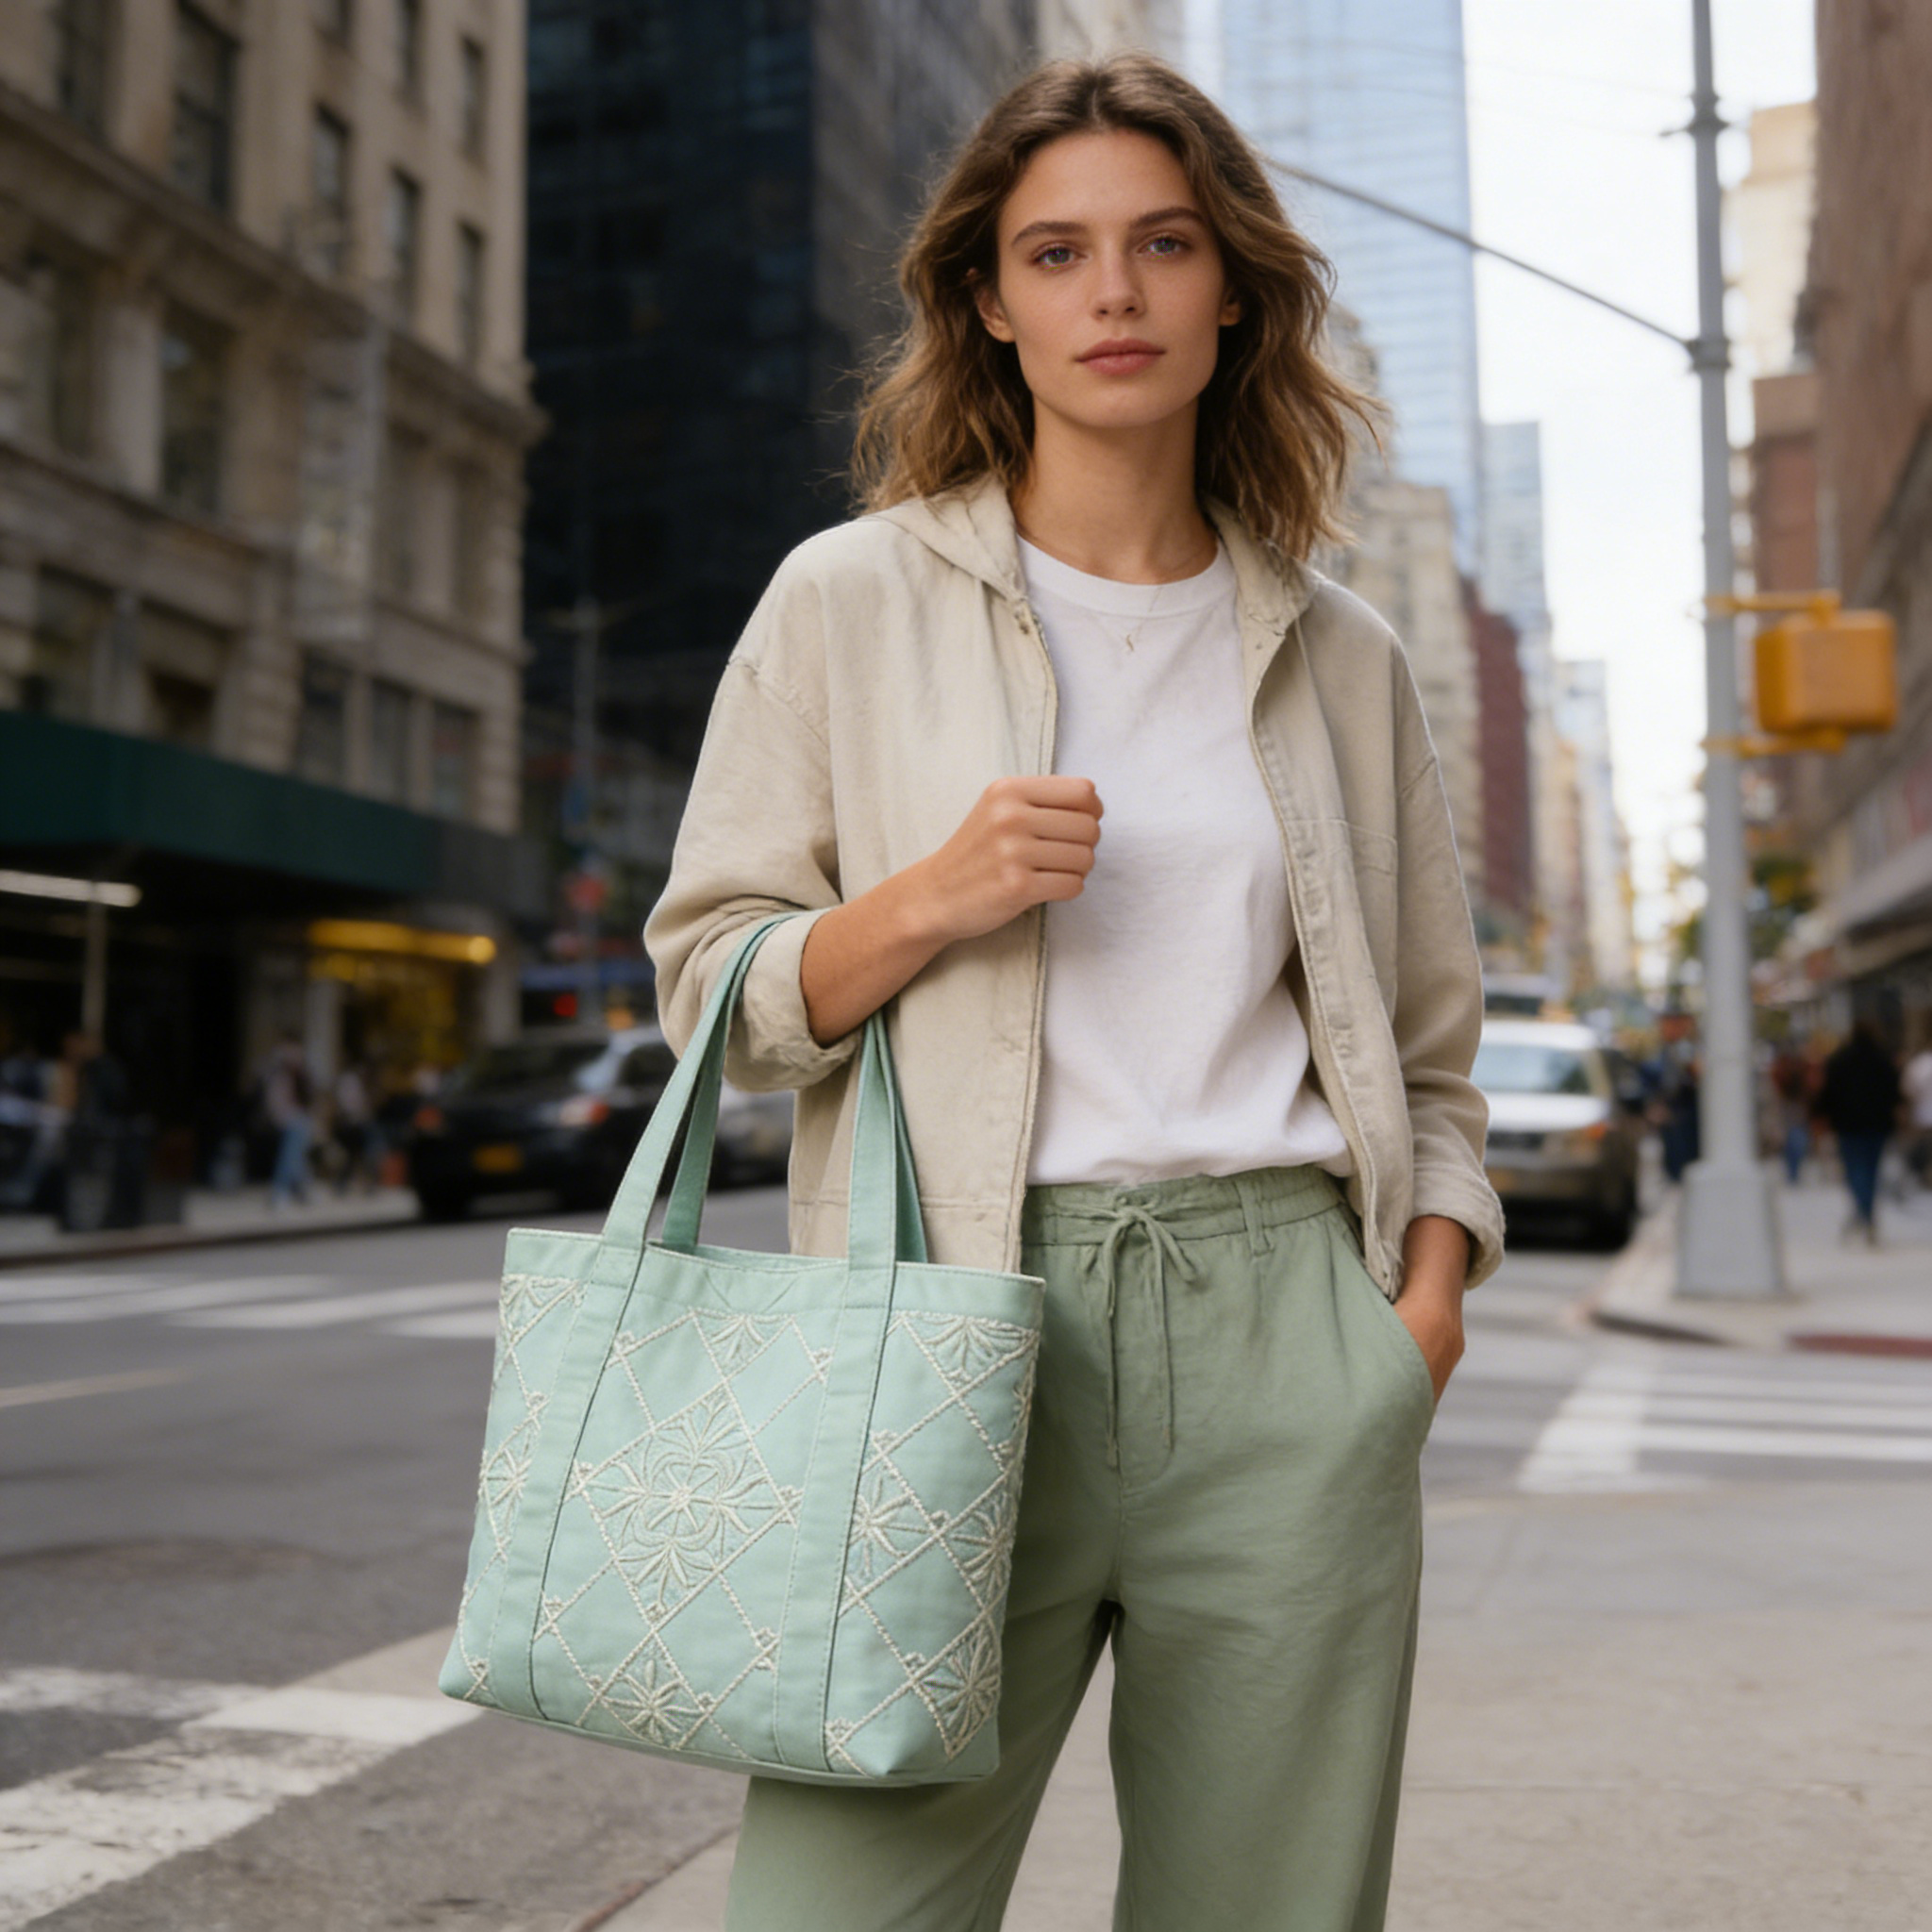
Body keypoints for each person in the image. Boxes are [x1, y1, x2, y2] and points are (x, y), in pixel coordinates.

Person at [645, 54, 1501, 1932]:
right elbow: (711, 991)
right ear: (986, 299)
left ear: (1230, 290)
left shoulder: (1340, 653)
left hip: (1289, 1340)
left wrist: (1407, 1326)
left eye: (1160, 244)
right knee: (826, 1908)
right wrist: (930, 898)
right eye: (1056, 251)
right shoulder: (844, 600)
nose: (1111, 292)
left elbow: (1432, 1063)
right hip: (945, 1324)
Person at [1814, 1018, 1903, 1245]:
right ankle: (1867, 1214)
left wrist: (1820, 1112)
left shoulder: (1841, 1059)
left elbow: (1828, 1091)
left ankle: (1863, 1213)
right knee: (1871, 1171)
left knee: (1855, 1170)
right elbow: (1894, 1092)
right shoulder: (1882, 1059)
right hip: (1877, 1124)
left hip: (1848, 1124)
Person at [261, 1033, 316, 1209]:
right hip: (287, 1121)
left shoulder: (301, 1076)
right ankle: (282, 1191)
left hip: (298, 1120)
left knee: (296, 1156)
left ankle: (297, 1190)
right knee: (290, 1156)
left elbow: (309, 1099)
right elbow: (274, 1103)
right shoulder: (279, 1075)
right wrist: (283, 1117)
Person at [1902, 1029, 1932, 1189]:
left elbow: (1908, 1089)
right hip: (1923, 1113)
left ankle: (1926, 1175)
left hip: (1923, 1115)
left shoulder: (1919, 1064)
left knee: (1925, 1148)